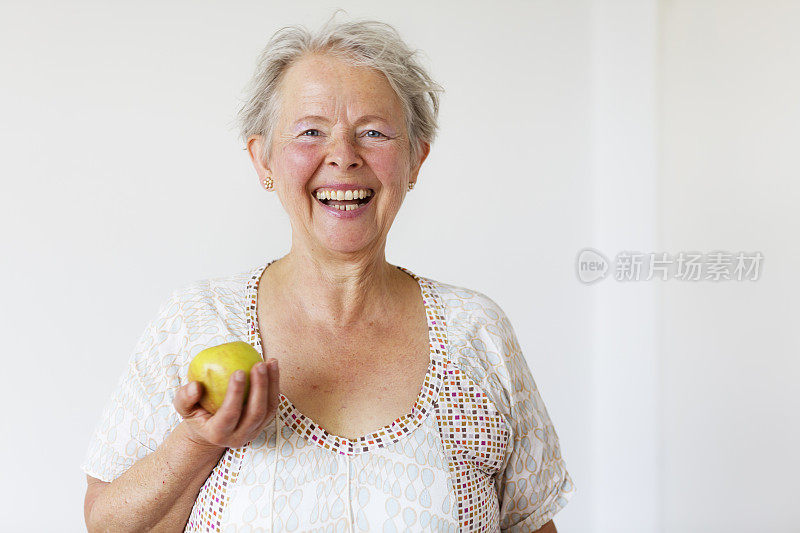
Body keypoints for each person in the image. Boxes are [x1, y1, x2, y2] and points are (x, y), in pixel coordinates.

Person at [81, 14, 575, 532]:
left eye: (374, 132)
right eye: (310, 131)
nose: (342, 157)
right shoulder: (196, 320)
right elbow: (106, 524)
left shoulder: (478, 331)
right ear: (262, 159)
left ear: (415, 160)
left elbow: (530, 523)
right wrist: (199, 442)